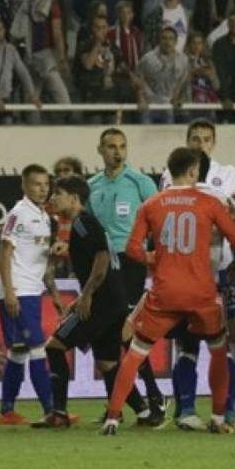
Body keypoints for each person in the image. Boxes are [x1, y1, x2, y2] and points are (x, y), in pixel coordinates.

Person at [99, 147, 235, 436]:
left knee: (135, 353)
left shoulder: (151, 204)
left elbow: (132, 249)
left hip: (164, 293)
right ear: (194, 171)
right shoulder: (210, 203)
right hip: (202, 294)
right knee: (218, 350)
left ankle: (112, 419)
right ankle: (218, 417)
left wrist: (153, 258)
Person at [45, 175, 155, 427]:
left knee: (54, 346)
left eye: (58, 193)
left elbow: (102, 257)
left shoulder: (82, 224)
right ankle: (143, 411)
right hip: (114, 302)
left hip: (101, 304)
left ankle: (59, 413)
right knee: (107, 363)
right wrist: (84, 295)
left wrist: (86, 295)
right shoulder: (87, 224)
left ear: (74, 198)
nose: (53, 198)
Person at [160, 118, 235, 429]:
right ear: (187, 141)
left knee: (232, 334)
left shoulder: (229, 175)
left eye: (206, 139)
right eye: (195, 139)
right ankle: (189, 409)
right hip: (191, 273)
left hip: (219, 270)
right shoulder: (171, 175)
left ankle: (229, 405)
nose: (200, 144)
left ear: (214, 142)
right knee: (192, 341)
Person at [86, 128, 167, 420]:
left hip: (130, 261)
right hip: (103, 262)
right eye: (111, 146)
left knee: (125, 328)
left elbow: (161, 221)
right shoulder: (92, 186)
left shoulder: (140, 182)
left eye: (122, 146)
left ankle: (153, 393)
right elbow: (87, 228)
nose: (117, 152)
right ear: (100, 150)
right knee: (109, 332)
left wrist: (156, 258)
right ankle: (120, 405)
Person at [0, 164, 65, 426]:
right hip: (19, 291)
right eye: (37, 184)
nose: (43, 189)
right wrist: (9, 292)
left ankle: (7, 411)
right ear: (24, 186)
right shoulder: (18, 214)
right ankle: (52, 410)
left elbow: (40, 261)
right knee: (37, 348)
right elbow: (4, 252)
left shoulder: (44, 216)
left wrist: (54, 293)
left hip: (32, 290)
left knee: (19, 351)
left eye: (46, 184)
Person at [0, 16, 40, 125]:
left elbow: (23, 73)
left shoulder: (11, 49)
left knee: (7, 124)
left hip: (6, 97)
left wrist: (32, 94)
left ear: (4, 30)